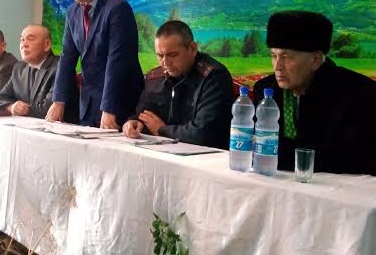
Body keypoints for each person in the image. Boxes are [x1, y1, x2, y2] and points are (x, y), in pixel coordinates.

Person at [254, 10, 376, 175]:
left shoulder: (359, 94)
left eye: (286, 57)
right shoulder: (266, 90)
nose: (277, 67)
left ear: (316, 60)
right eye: (274, 56)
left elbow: (352, 159)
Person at [46, 0, 144, 128]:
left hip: (117, 104)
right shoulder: (72, 12)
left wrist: (109, 109)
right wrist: (58, 101)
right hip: (88, 104)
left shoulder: (117, 8)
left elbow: (118, 61)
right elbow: (67, 58)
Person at [122, 20, 233, 149]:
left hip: (205, 157)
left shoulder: (214, 78)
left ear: (192, 49)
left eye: (172, 55)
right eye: (160, 55)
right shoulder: (155, 77)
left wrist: (162, 130)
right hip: (162, 152)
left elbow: (201, 134)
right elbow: (144, 115)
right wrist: (133, 123)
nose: (165, 63)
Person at [0, 25, 78, 121]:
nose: (24, 44)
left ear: (47, 45)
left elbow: (47, 110)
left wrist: (22, 109)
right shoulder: (19, 68)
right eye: (22, 40)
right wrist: (11, 107)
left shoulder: (61, 68)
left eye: (30, 39)